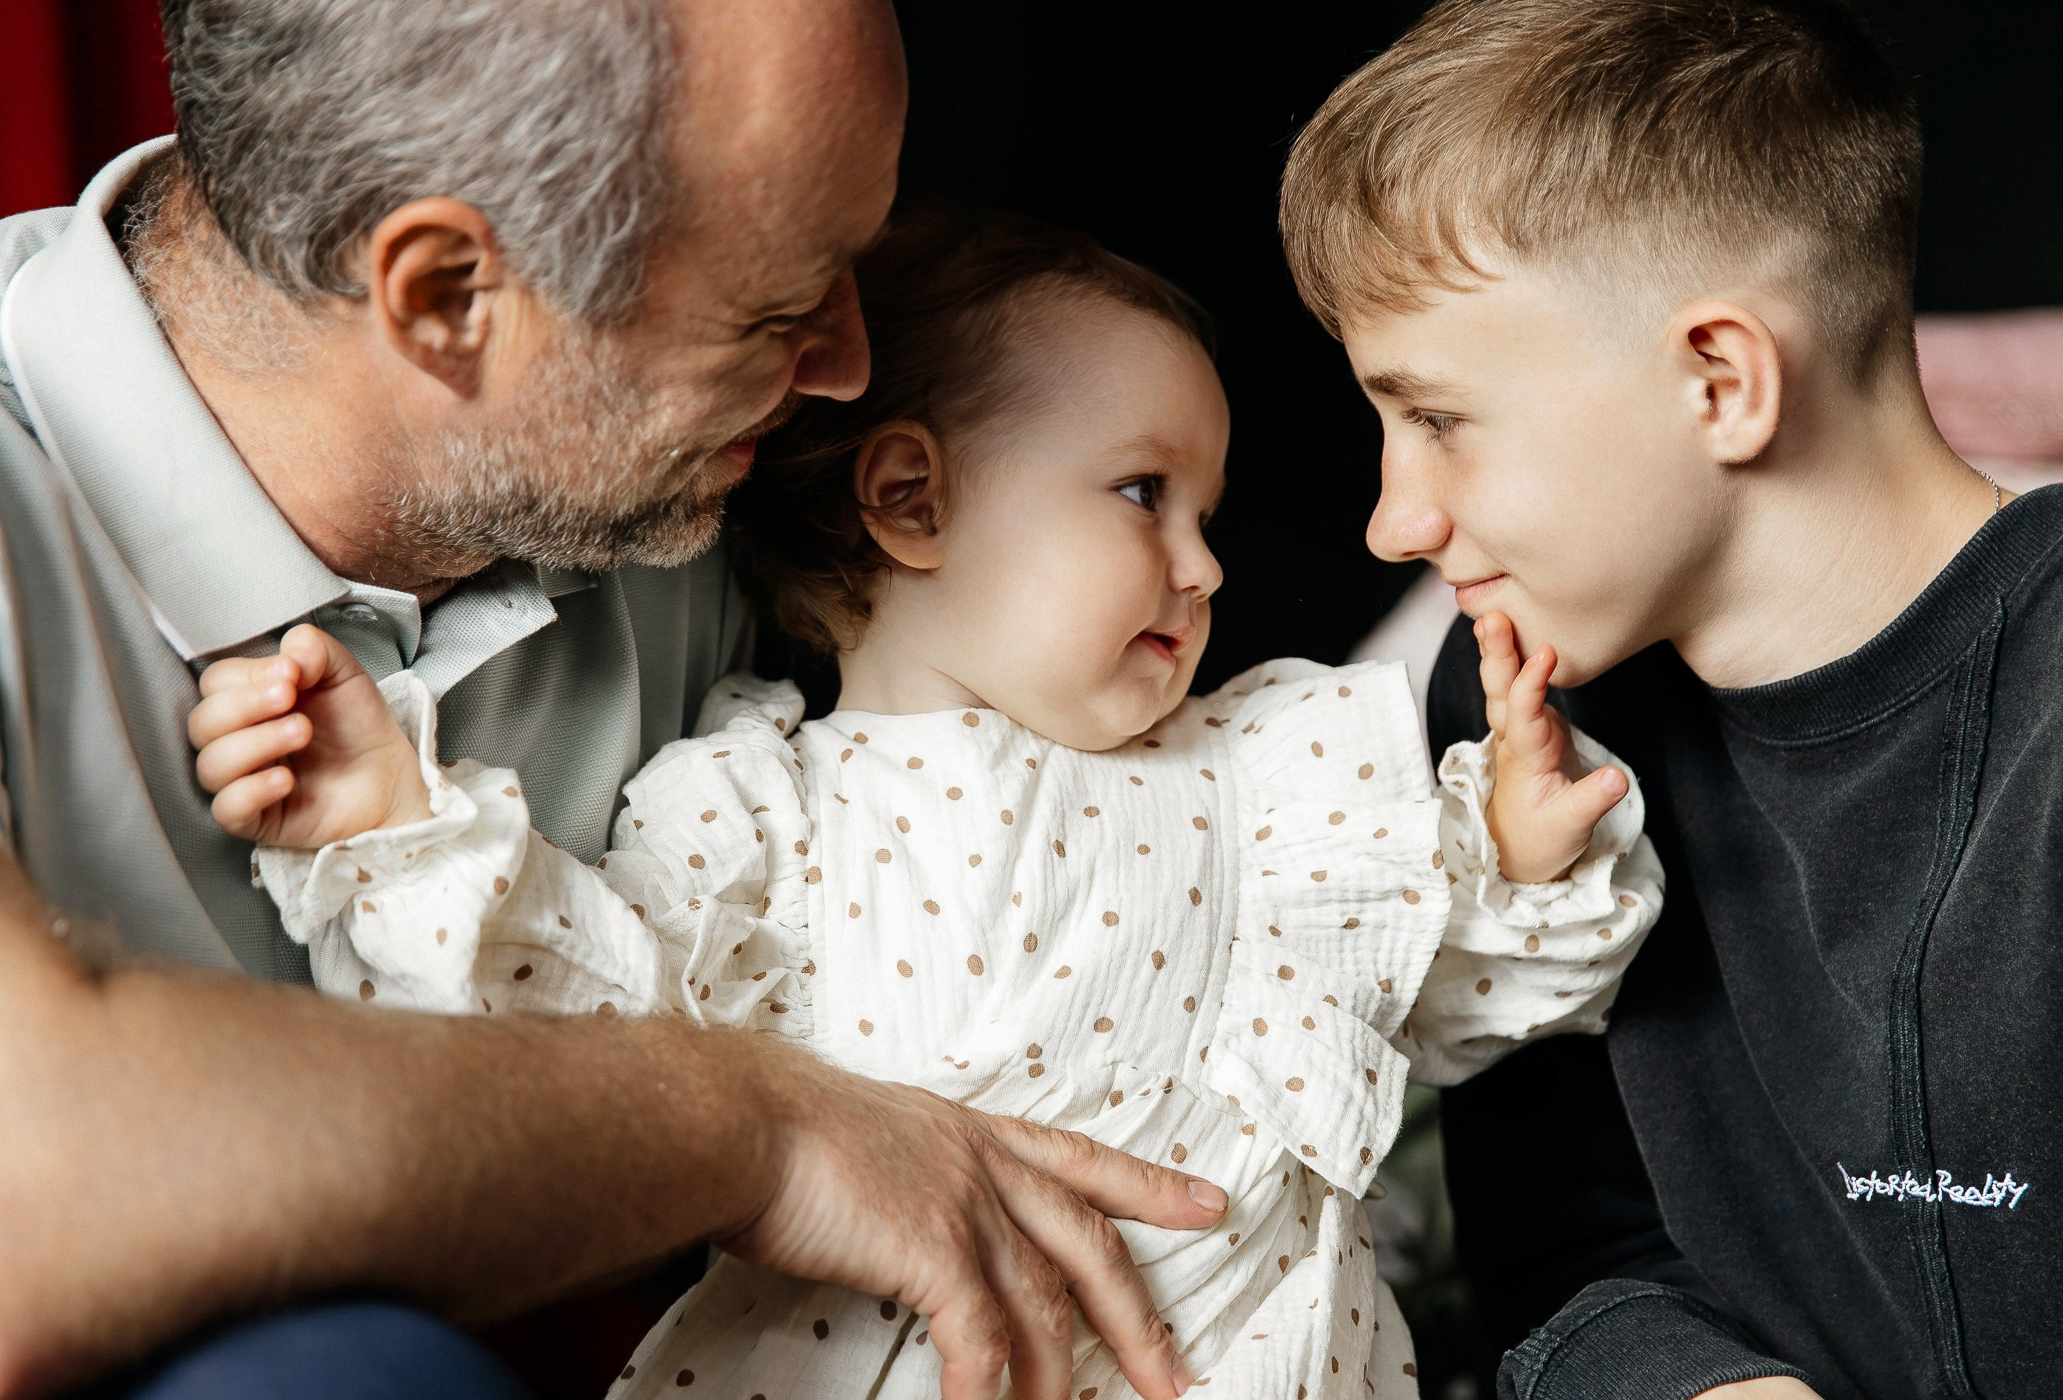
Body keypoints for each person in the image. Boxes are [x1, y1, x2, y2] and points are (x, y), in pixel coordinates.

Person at [0, 4, 1238, 1397]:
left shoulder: (696, 480)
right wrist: (759, 1131)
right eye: (778, 309)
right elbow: (12, 1208)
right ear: (448, 297)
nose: (849, 369)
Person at [190, 208, 1664, 1399]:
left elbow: (1431, 1009)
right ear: (912, 499)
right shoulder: (755, 808)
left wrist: (1517, 860)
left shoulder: (1257, 775)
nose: (1207, 565)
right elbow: (583, 1027)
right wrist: (395, 823)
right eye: (1143, 492)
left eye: (1208, 513)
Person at [1279, 0, 2060, 1397]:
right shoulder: (1521, 715)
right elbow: (1562, 1259)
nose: (1395, 522)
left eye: (1439, 419)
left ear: (1722, 380)